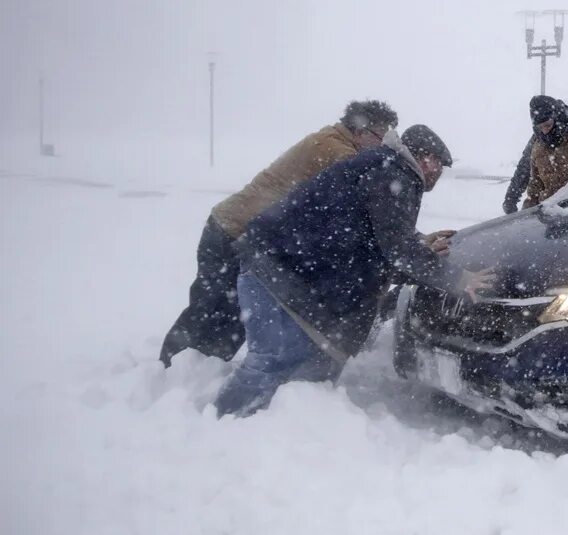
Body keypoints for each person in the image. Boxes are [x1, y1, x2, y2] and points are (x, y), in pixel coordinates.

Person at [212, 124, 493, 417]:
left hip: (293, 272)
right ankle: (222, 423)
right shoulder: (393, 174)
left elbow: (380, 237)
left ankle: (282, 430)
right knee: (274, 358)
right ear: (425, 158)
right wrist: (456, 278)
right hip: (278, 271)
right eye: (439, 165)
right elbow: (396, 248)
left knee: (314, 367)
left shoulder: (385, 167)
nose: (439, 173)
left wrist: (419, 247)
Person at [159, 100, 402, 367]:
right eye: (383, 137)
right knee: (209, 309)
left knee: (231, 316)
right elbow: (370, 202)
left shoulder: (334, 143)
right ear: (361, 131)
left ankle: (196, 371)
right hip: (231, 231)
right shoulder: (332, 148)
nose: (384, 146)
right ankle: (170, 370)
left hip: (244, 234)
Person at [501, 104, 568, 214]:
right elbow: (524, 167)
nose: (545, 131)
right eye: (540, 127)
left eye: (548, 125)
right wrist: (511, 198)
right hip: (547, 203)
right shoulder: (539, 136)